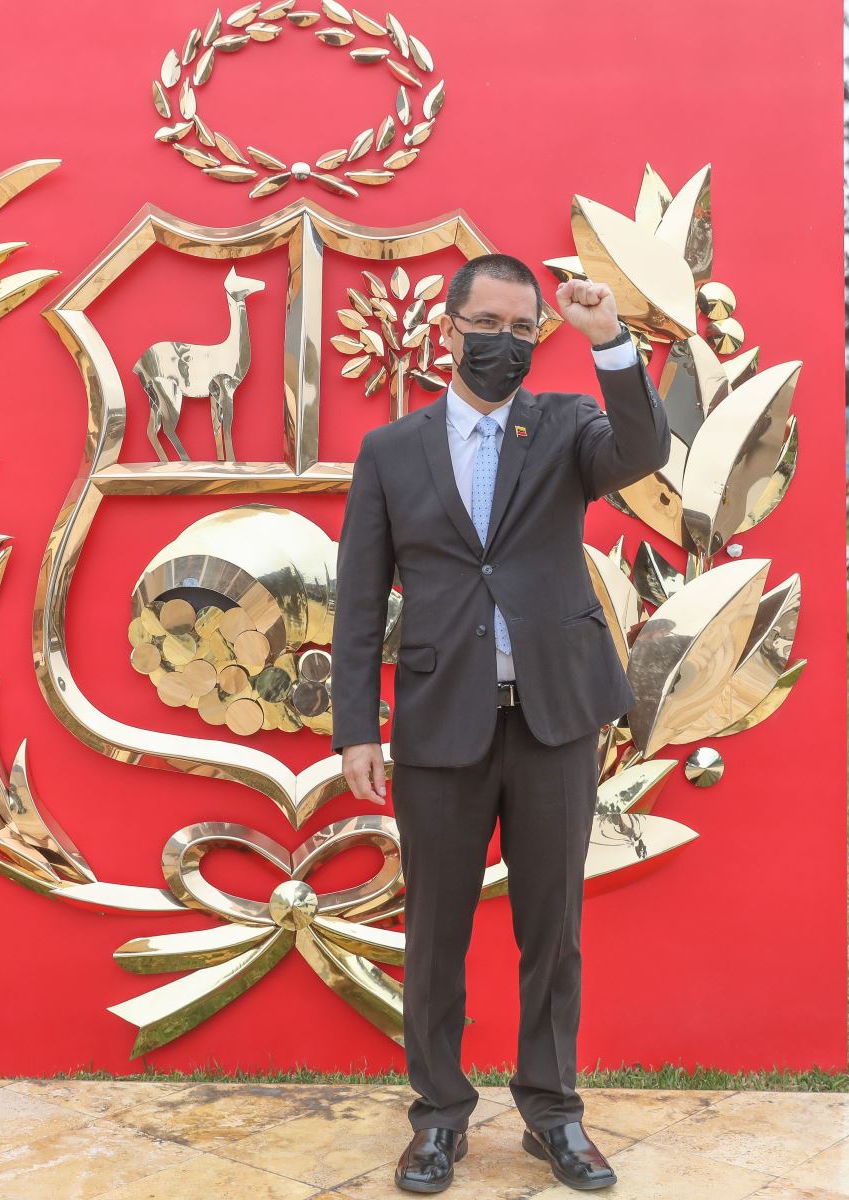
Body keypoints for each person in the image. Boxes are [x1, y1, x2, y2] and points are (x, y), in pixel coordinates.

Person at [330, 252, 669, 1193]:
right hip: (440, 724)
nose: (506, 345)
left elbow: (640, 453)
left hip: (556, 718)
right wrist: (357, 725)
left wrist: (609, 342)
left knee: (551, 931)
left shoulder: (565, 425)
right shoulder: (391, 451)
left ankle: (552, 1114)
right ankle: (438, 1117)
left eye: (525, 331)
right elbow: (359, 600)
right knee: (435, 931)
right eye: (489, 326)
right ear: (449, 329)